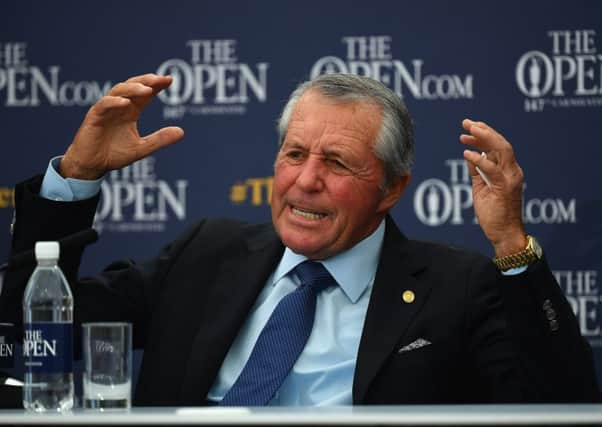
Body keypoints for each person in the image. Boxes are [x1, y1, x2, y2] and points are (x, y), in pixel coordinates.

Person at [0, 73, 598, 406]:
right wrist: (74, 181)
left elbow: (558, 403)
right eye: (293, 154)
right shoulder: (207, 252)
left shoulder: (456, 288)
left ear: (391, 189)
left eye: (337, 163)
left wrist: (512, 243)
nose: (305, 181)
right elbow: (35, 328)